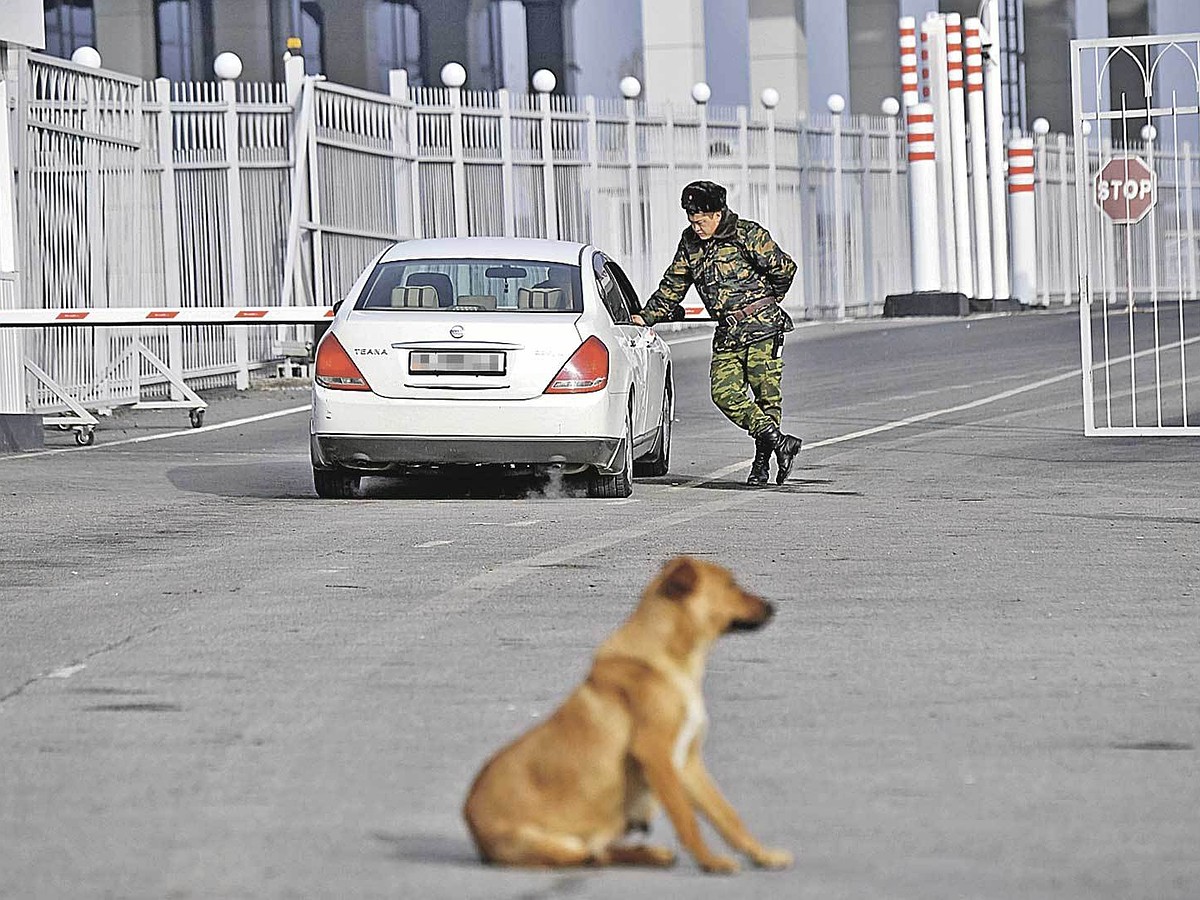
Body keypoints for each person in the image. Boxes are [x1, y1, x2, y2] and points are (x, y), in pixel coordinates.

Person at [631, 180, 803, 485]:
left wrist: (767, 301)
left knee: (767, 399)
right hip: (728, 332)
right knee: (723, 393)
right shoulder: (690, 243)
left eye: (700, 221)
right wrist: (646, 316)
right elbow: (673, 285)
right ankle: (779, 442)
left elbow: (784, 269)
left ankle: (761, 464)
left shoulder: (747, 234)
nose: (696, 227)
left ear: (717, 214)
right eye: (691, 221)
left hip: (763, 329)